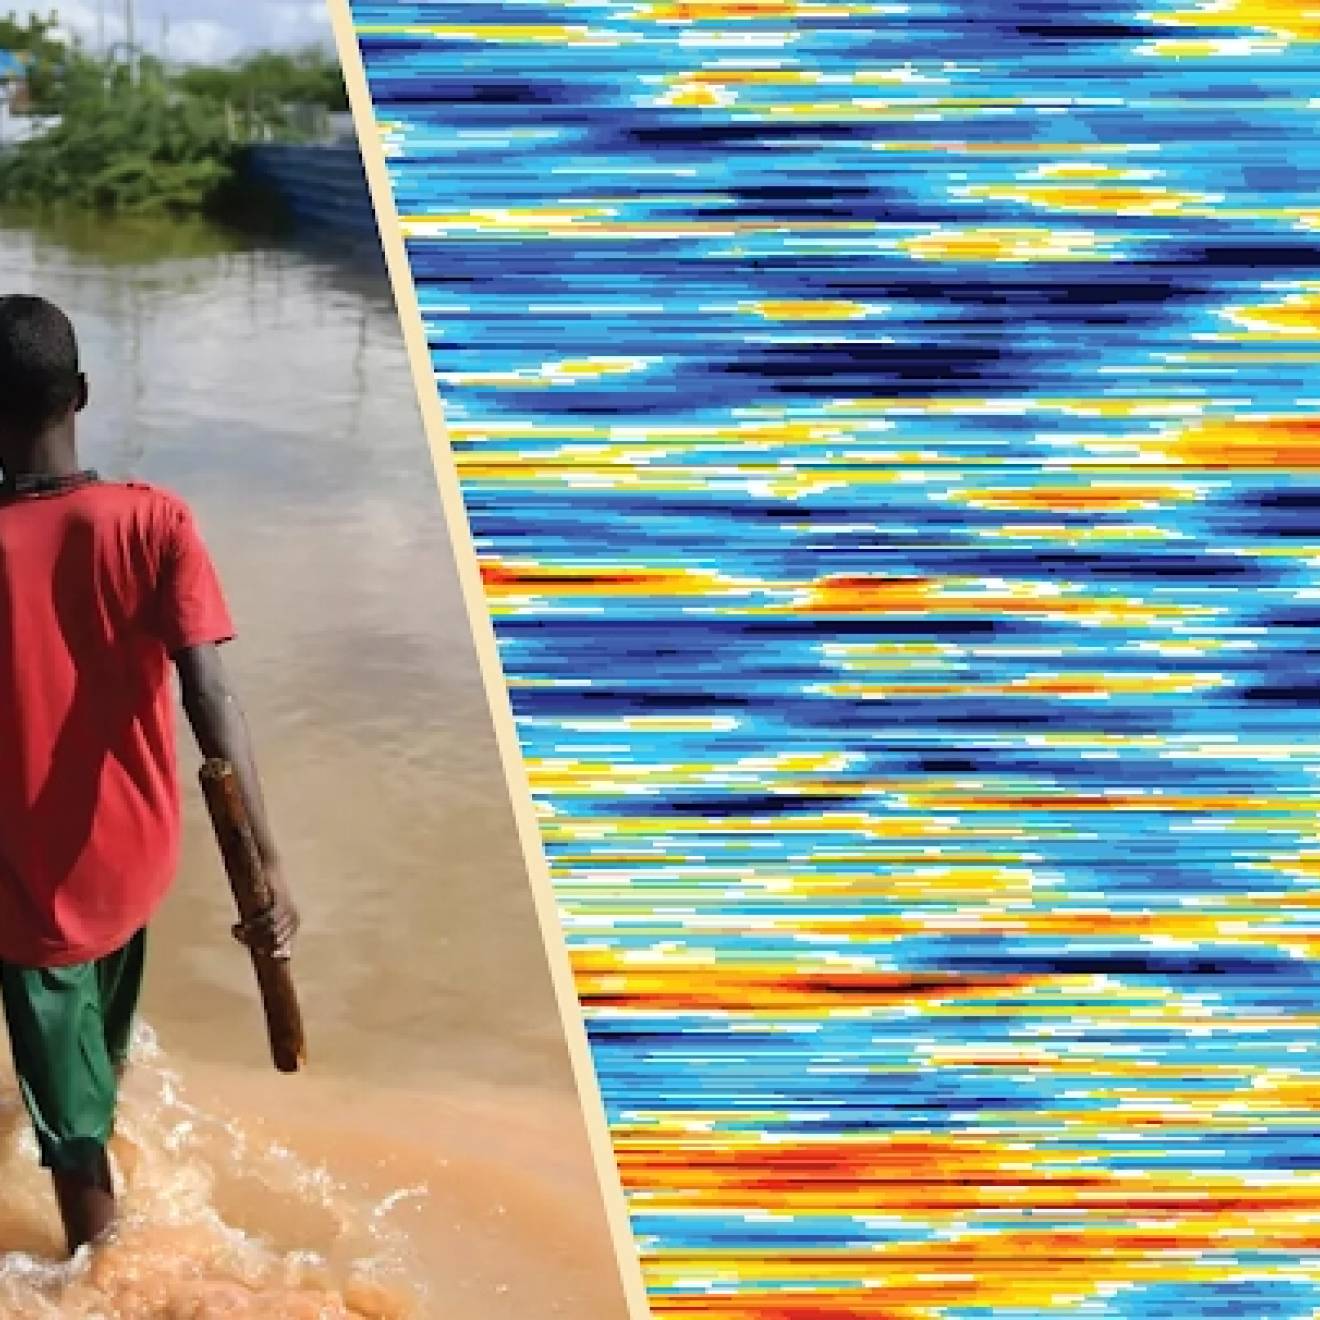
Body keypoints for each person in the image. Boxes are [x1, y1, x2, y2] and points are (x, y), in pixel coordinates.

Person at [0, 294, 299, 1254]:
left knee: (73, 1136)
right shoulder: (155, 520)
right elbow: (213, 698)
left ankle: (102, 1278)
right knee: (96, 1062)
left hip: (29, 891)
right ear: (80, 393)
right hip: (134, 866)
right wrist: (269, 869)